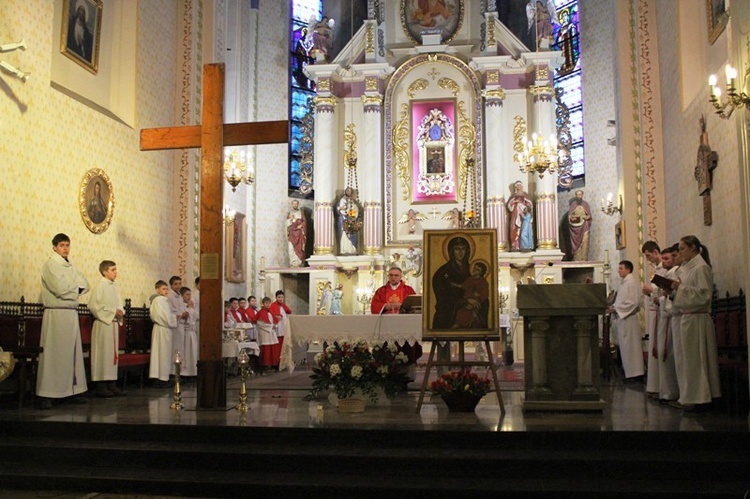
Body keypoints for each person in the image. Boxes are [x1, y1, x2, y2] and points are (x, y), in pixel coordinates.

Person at [36, 233, 90, 409]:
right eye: (62, 245)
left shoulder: (71, 267)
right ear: (54, 247)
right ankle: (48, 393)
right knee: (54, 354)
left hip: (70, 314)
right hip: (56, 314)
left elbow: (85, 284)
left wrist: (72, 289)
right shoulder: (50, 265)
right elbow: (59, 289)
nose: (65, 248)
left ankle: (69, 391)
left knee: (71, 355)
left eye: (67, 245)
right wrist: (75, 290)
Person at [670, 235, 721, 413]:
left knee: (695, 360)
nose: (680, 252)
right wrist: (674, 290)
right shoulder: (687, 268)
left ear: (693, 248)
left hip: (697, 319)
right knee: (687, 360)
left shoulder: (701, 268)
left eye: (683, 248)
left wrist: (680, 288)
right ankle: (688, 396)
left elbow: (704, 295)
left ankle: (698, 398)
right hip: (688, 318)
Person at [87, 260, 125, 398]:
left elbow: (119, 304)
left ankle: (111, 385)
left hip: (112, 325)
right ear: (104, 272)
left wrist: (119, 311)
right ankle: (101, 386)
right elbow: (93, 306)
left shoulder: (113, 287)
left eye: (116, 269)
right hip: (103, 325)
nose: (116, 272)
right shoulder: (100, 286)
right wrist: (112, 312)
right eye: (113, 270)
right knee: (103, 355)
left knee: (111, 356)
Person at [609, 260, 644, 382]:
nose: (619, 270)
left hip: (629, 319)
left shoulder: (631, 283)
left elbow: (633, 302)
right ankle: (629, 373)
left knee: (631, 347)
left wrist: (616, 308)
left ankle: (636, 374)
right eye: (619, 268)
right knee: (626, 347)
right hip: (624, 318)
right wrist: (615, 307)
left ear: (628, 270)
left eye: (621, 268)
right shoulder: (624, 283)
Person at [653, 246, 679, 404]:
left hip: (670, 316)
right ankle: (666, 391)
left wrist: (661, 298)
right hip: (665, 316)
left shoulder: (675, 272)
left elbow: (672, 296)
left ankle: (670, 392)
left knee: (668, 354)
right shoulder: (668, 272)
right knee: (665, 354)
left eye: (667, 258)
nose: (664, 262)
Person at [432, 236, 471, 329]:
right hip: (449, 312)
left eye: (463, 249)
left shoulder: (472, 269)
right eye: (457, 249)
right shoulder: (442, 272)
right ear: (451, 251)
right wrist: (463, 302)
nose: (461, 252)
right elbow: (442, 297)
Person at [641, 241, 663, 398]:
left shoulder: (664, 269)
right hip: (658, 310)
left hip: (664, 312)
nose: (648, 260)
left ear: (656, 251)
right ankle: (656, 386)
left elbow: (664, 290)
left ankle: (661, 387)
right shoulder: (657, 269)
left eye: (649, 256)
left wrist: (651, 290)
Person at [149, 281, 176, 388]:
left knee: (164, 353)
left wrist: (172, 318)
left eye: (166, 289)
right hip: (161, 328)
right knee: (161, 353)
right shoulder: (158, 300)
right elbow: (163, 316)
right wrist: (174, 318)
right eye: (163, 289)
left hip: (165, 328)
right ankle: (161, 378)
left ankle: (163, 376)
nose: (166, 291)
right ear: (157, 289)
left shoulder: (164, 300)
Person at [453, 261, 490, 329]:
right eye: (474, 268)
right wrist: (456, 285)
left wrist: (478, 295)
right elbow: (464, 285)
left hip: (477, 300)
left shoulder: (483, 281)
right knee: (461, 311)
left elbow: (485, 293)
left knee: (471, 311)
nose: (474, 270)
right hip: (468, 298)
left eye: (477, 269)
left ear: (481, 272)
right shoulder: (470, 279)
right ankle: (458, 323)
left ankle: (471, 321)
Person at [269, 290, 292, 369]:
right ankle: (277, 362)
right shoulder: (273, 305)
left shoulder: (283, 305)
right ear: (276, 297)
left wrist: (283, 305)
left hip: (284, 327)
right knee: (278, 345)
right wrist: (277, 316)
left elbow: (289, 311)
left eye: (282, 297)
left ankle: (283, 361)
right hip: (278, 327)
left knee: (283, 344)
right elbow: (273, 313)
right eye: (279, 297)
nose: (280, 299)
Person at [506, 181, 532, 251]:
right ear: (516, 187)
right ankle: (515, 246)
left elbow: (529, 205)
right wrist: (514, 202)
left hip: (523, 215)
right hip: (515, 214)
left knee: (524, 231)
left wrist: (524, 203)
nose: (519, 187)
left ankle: (525, 246)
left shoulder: (525, 195)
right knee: (514, 228)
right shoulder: (513, 196)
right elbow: (509, 206)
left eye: (520, 185)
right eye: (517, 185)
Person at [255, 297, 279, 372]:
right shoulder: (260, 312)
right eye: (266, 303)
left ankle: (272, 364)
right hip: (264, 333)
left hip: (271, 332)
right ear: (263, 303)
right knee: (266, 349)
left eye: (269, 303)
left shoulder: (271, 312)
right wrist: (271, 326)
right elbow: (259, 323)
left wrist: (274, 325)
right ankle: (265, 365)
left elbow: (273, 321)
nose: (268, 304)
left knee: (272, 348)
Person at [179, 286, 198, 378]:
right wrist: (190, 309)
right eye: (187, 294)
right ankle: (185, 372)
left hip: (192, 332)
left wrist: (192, 308)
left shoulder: (191, 306)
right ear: (182, 295)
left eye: (190, 294)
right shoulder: (181, 305)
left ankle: (193, 371)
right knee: (187, 352)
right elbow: (187, 320)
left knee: (193, 352)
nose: (189, 296)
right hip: (185, 332)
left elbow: (196, 317)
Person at [568, 189, 592, 261]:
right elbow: (570, 217)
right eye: (578, 195)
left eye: (580, 194)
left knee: (585, 240)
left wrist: (587, 217)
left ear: (582, 195)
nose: (579, 196)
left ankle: (584, 258)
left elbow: (589, 215)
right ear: (576, 196)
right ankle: (577, 258)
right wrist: (572, 219)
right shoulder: (573, 204)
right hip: (575, 227)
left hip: (585, 225)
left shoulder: (585, 204)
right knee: (576, 242)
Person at [337, 187, 359, 255]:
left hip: (350, 220)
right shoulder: (342, 200)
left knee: (352, 234)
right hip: (343, 219)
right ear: (345, 192)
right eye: (347, 191)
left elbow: (354, 210)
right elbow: (338, 209)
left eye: (350, 191)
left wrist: (352, 215)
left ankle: (352, 249)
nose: (349, 192)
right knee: (344, 234)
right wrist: (341, 208)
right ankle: (344, 250)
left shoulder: (352, 202)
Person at [287, 199, 307, 267]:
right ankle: (293, 263)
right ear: (292, 205)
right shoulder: (290, 213)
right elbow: (287, 224)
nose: (295, 205)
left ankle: (298, 263)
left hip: (299, 234)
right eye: (293, 204)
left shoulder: (301, 213)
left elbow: (304, 222)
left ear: (298, 205)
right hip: (292, 233)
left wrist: (301, 225)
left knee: (299, 248)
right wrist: (291, 220)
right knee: (291, 248)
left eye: (296, 204)